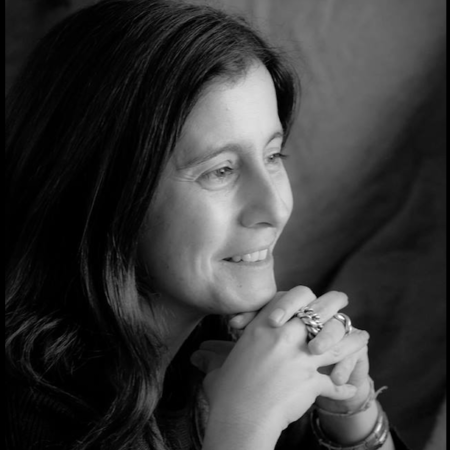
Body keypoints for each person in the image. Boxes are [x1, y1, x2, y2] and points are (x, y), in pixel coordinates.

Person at [5, 1, 410, 449]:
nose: (275, 208)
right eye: (221, 170)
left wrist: (349, 411)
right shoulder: (24, 412)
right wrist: (243, 428)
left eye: (272, 156)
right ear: (104, 194)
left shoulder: (229, 351)